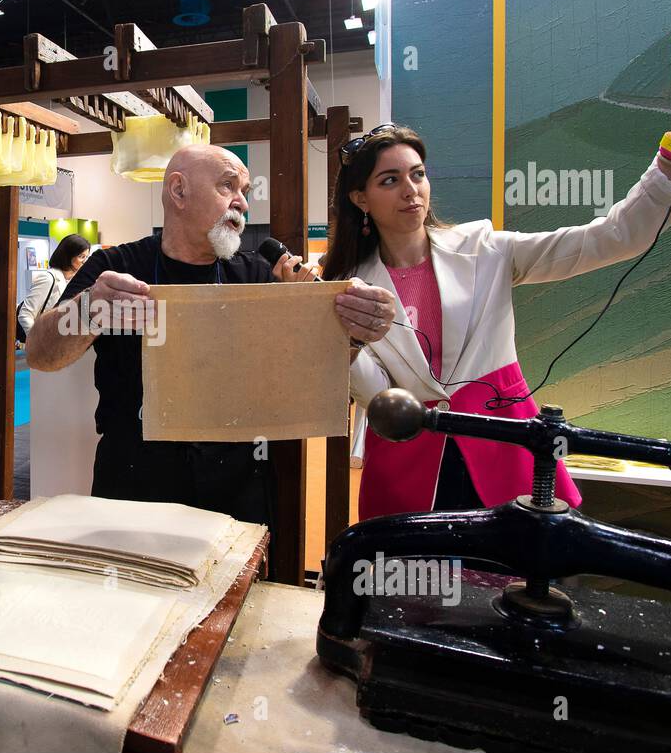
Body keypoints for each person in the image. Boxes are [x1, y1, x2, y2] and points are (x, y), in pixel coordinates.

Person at [312, 36, 671, 521]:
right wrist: (344, 343)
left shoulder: (485, 249)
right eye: (389, 180)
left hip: (506, 444)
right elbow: (370, 392)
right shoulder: (348, 285)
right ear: (360, 199)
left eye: (418, 174)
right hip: (410, 460)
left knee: (517, 582)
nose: (411, 191)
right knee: (413, 588)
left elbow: (617, 235)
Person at [26, 144, 395, 530]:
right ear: (179, 191)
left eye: (246, 192)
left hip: (238, 487)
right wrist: (91, 308)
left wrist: (345, 333)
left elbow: (307, 378)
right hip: (136, 483)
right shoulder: (115, 267)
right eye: (227, 186)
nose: (243, 204)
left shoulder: (258, 275)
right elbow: (40, 354)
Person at [17, 234, 90, 343]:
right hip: (45, 343)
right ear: (68, 256)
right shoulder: (49, 278)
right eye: (81, 256)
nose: (84, 261)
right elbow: (25, 314)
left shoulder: (73, 281)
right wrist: (38, 342)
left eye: (86, 257)